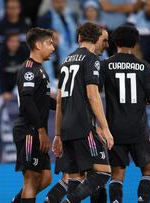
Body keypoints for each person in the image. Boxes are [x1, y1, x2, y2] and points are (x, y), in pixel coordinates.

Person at [44, 27, 109, 203]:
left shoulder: (66, 60)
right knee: (102, 173)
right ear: (96, 40)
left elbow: (58, 101)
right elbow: (92, 95)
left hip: (66, 126)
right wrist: (105, 127)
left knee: (75, 177)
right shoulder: (92, 59)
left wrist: (57, 134)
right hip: (83, 126)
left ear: (79, 37)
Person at [101, 25, 150, 203]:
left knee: (117, 174)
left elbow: (94, 93)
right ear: (136, 43)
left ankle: (116, 201)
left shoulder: (106, 65)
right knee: (149, 170)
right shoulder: (143, 66)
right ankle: (142, 200)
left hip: (114, 129)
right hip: (138, 128)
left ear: (114, 42)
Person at [12, 27, 56, 203]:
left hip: (35, 130)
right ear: (38, 45)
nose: (53, 48)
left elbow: (42, 100)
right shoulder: (29, 69)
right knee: (31, 180)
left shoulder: (40, 70)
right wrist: (41, 131)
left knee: (45, 179)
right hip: (29, 130)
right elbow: (27, 101)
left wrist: (63, 103)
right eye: (49, 44)